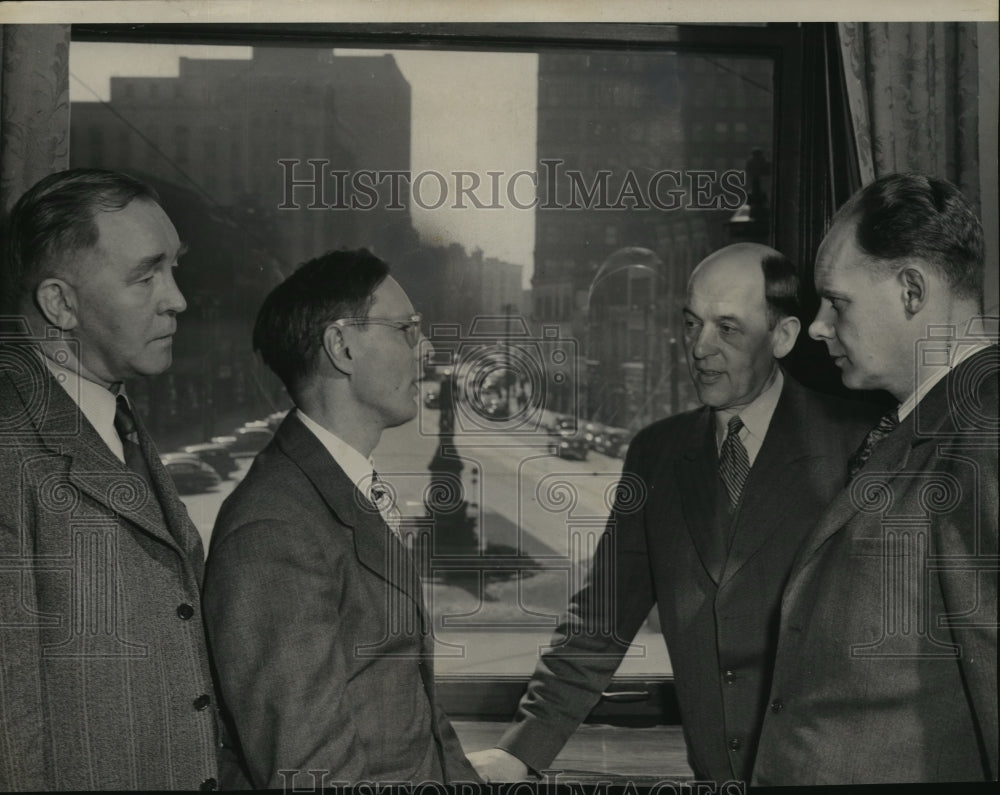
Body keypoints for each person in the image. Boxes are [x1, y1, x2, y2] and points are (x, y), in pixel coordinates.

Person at [469, 243, 881, 784]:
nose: (699, 348)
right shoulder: (655, 453)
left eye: (728, 329)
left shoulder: (861, 445)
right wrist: (521, 750)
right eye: (692, 324)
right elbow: (601, 620)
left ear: (782, 336)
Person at [753, 173, 998, 785]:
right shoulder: (922, 421)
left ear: (911, 290)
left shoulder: (985, 431)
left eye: (836, 302)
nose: (815, 326)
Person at [202, 249, 480, 787]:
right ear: (341, 346)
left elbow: (417, 710)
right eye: (405, 329)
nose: (423, 348)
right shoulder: (275, 530)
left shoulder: (336, 487)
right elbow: (310, 771)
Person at [0, 168, 230, 790]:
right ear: (61, 303)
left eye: (174, 268)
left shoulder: (111, 414)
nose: (177, 298)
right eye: (146, 274)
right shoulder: (10, 445)